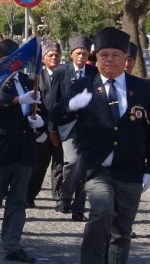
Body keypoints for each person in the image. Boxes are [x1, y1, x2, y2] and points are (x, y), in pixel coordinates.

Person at [50, 26, 150, 264]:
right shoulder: (85, 86)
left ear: (125, 59)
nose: (109, 60)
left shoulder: (142, 89)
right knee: (101, 212)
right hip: (96, 167)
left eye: (115, 55)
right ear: (97, 57)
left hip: (130, 168)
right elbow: (56, 114)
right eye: (104, 55)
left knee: (122, 229)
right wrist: (72, 105)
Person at [0, 39, 44, 263]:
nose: (8, 66)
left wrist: (40, 120)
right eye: (2, 62)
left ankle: (12, 245)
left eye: (11, 61)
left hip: (25, 151)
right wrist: (18, 100)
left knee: (17, 201)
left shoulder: (28, 80)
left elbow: (39, 105)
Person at [54, 35, 96, 221]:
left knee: (84, 165)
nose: (81, 57)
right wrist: (51, 129)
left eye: (85, 53)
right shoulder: (61, 72)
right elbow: (53, 102)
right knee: (71, 162)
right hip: (67, 125)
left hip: (88, 126)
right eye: (78, 53)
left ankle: (78, 208)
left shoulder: (94, 72)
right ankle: (65, 195)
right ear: (71, 54)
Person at [26, 40, 64, 209]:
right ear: (44, 59)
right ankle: (29, 195)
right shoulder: (35, 78)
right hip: (41, 129)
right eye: (51, 55)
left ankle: (60, 198)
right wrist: (45, 126)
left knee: (60, 165)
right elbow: (33, 105)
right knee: (39, 165)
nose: (54, 58)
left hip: (62, 127)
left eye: (57, 55)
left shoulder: (65, 76)